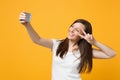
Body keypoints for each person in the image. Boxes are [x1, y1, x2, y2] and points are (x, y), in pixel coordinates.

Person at [19, 11, 116, 80]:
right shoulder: (57, 44)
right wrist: (27, 25)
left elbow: (111, 54)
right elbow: (37, 40)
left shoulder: (84, 51)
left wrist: (94, 42)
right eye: (72, 26)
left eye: (77, 30)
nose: (72, 30)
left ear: (83, 35)